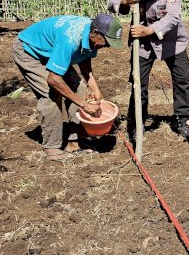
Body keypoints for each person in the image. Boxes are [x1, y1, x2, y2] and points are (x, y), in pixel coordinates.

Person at [13, 14, 123, 160]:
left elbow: (85, 63)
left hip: (52, 50)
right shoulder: (70, 40)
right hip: (30, 51)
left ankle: (74, 142)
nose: (107, 46)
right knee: (51, 94)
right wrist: (84, 105)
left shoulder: (92, 37)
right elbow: (54, 79)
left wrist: (96, 90)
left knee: (80, 89)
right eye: (107, 41)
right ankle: (52, 148)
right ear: (94, 33)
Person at [108, 0, 189, 139]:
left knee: (182, 79)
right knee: (138, 83)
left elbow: (172, 17)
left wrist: (150, 30)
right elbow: (112, 4)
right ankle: (136, 121)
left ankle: (183, 118)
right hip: (142, 45)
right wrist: (126, 0)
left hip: (172, 42)